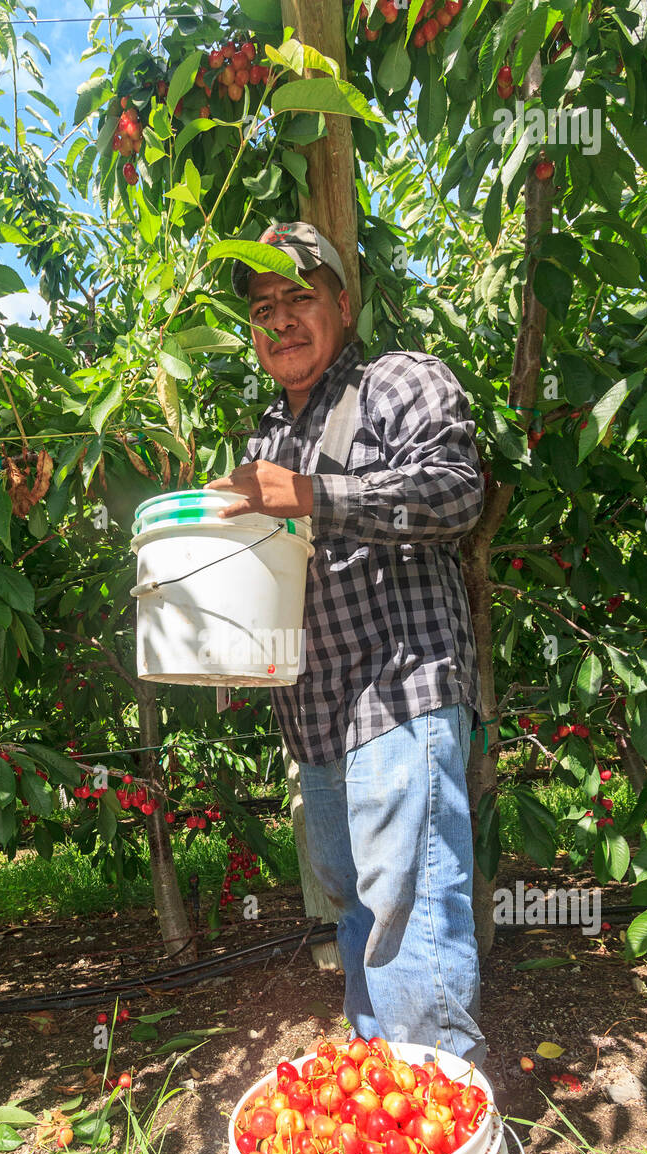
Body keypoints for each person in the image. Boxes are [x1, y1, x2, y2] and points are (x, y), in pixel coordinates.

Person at [205, 221, 487, 1063]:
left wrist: (315, 495)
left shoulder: (399, 381)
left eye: (299, 296)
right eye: (264, 306)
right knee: (358, 910)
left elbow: (454, 492)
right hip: (316, 720)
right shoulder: (264, 436)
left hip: (401, 692)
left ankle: (442, 1148)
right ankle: (381, 1093)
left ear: (341, 299)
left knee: (412, 912)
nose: (282, 319)